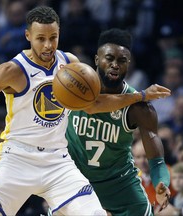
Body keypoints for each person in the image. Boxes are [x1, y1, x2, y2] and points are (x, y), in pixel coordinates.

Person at [0, 6, 170, 216]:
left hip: (58, 162)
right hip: (17, 160)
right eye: (41, 38)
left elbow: (94, 104)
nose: (47, 45)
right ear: (28, 36)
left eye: (53, 37)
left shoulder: (70, 64)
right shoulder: (11, 71)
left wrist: (141, 95)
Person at [66, 28, 171, 215]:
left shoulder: (140, 108)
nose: (115, 65)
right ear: (97, 60)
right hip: (75, 177)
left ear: (128, 65)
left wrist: (161, 184)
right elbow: (95, 104)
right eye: (109, 58)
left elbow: (156, 161)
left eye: (122, 61)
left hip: (119, 182)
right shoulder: (76, 90)